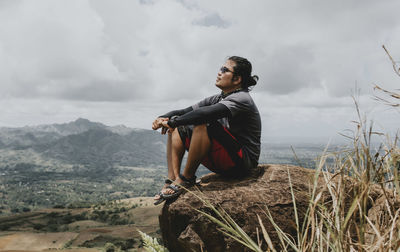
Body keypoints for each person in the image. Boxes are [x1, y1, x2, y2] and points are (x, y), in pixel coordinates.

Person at [151, 56, 261, 204]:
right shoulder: (217, 98)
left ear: (237, 79)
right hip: (223, 158)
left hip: (242, 163)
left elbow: (203, 114)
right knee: (180, 124)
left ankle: (186, 179)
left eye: (224, 70)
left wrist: (172, 121)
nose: (219, 73)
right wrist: (162, 118)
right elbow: (184, 111)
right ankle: (172, 178)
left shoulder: (242, 98)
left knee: (202, 121)